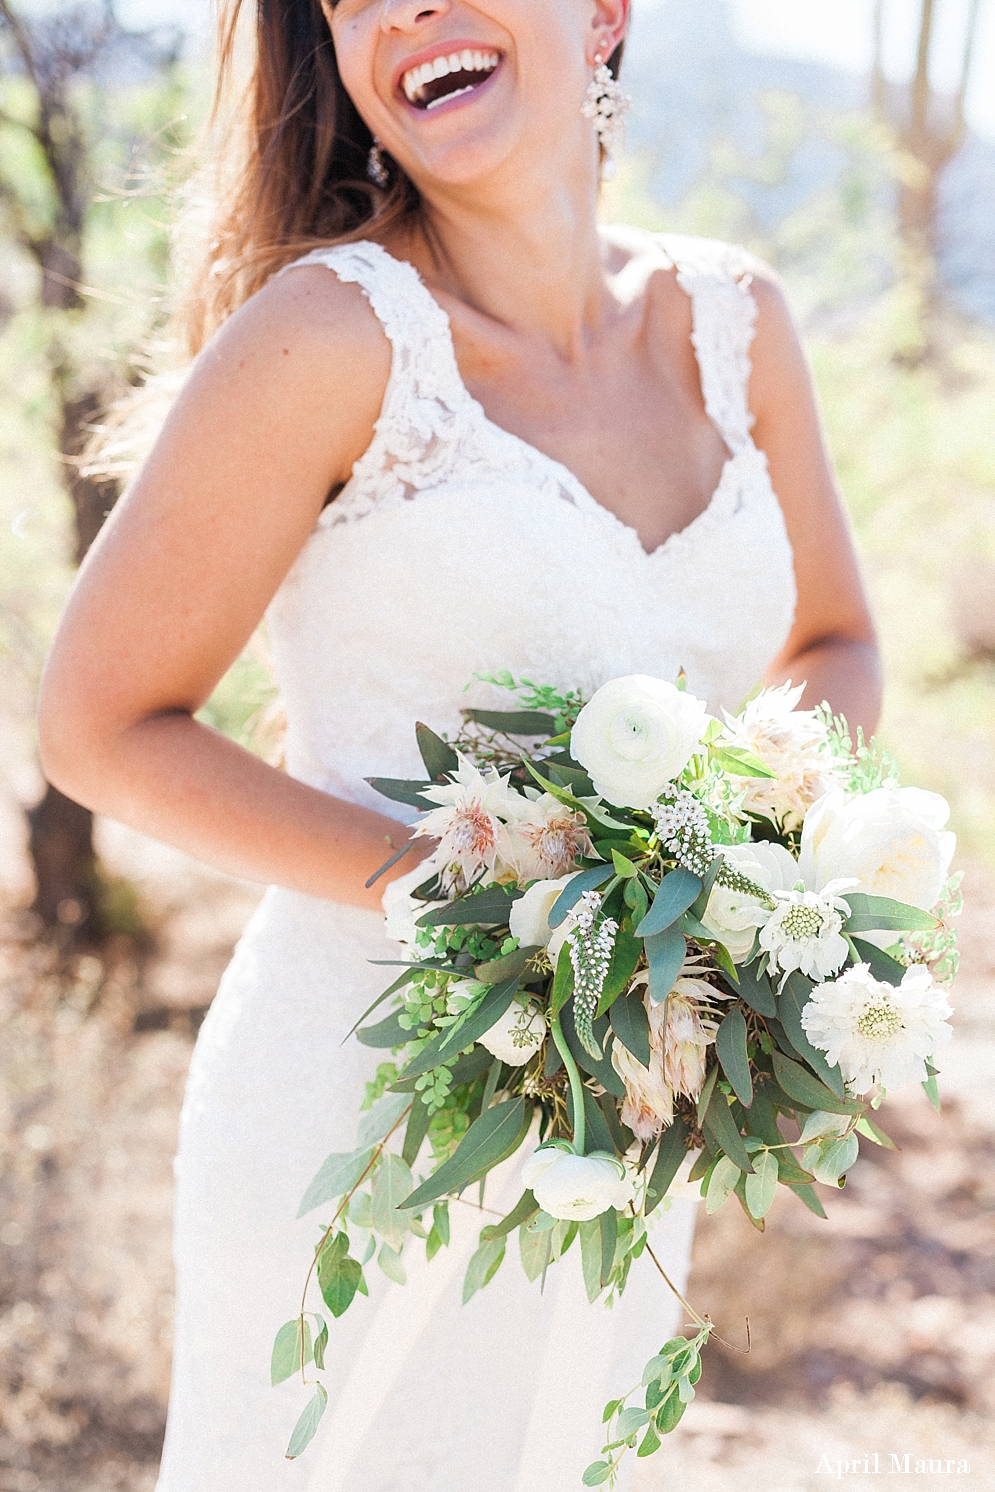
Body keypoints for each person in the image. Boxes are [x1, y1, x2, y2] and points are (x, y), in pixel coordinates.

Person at [37, 1, 881, 1488]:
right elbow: (98, 724)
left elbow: (836, 641)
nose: (402, 6)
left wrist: (741, 858)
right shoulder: (328, 335)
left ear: (606, 13)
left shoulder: (734, 320)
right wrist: (468, 889)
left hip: (624, 1098)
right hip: (357, 1104)